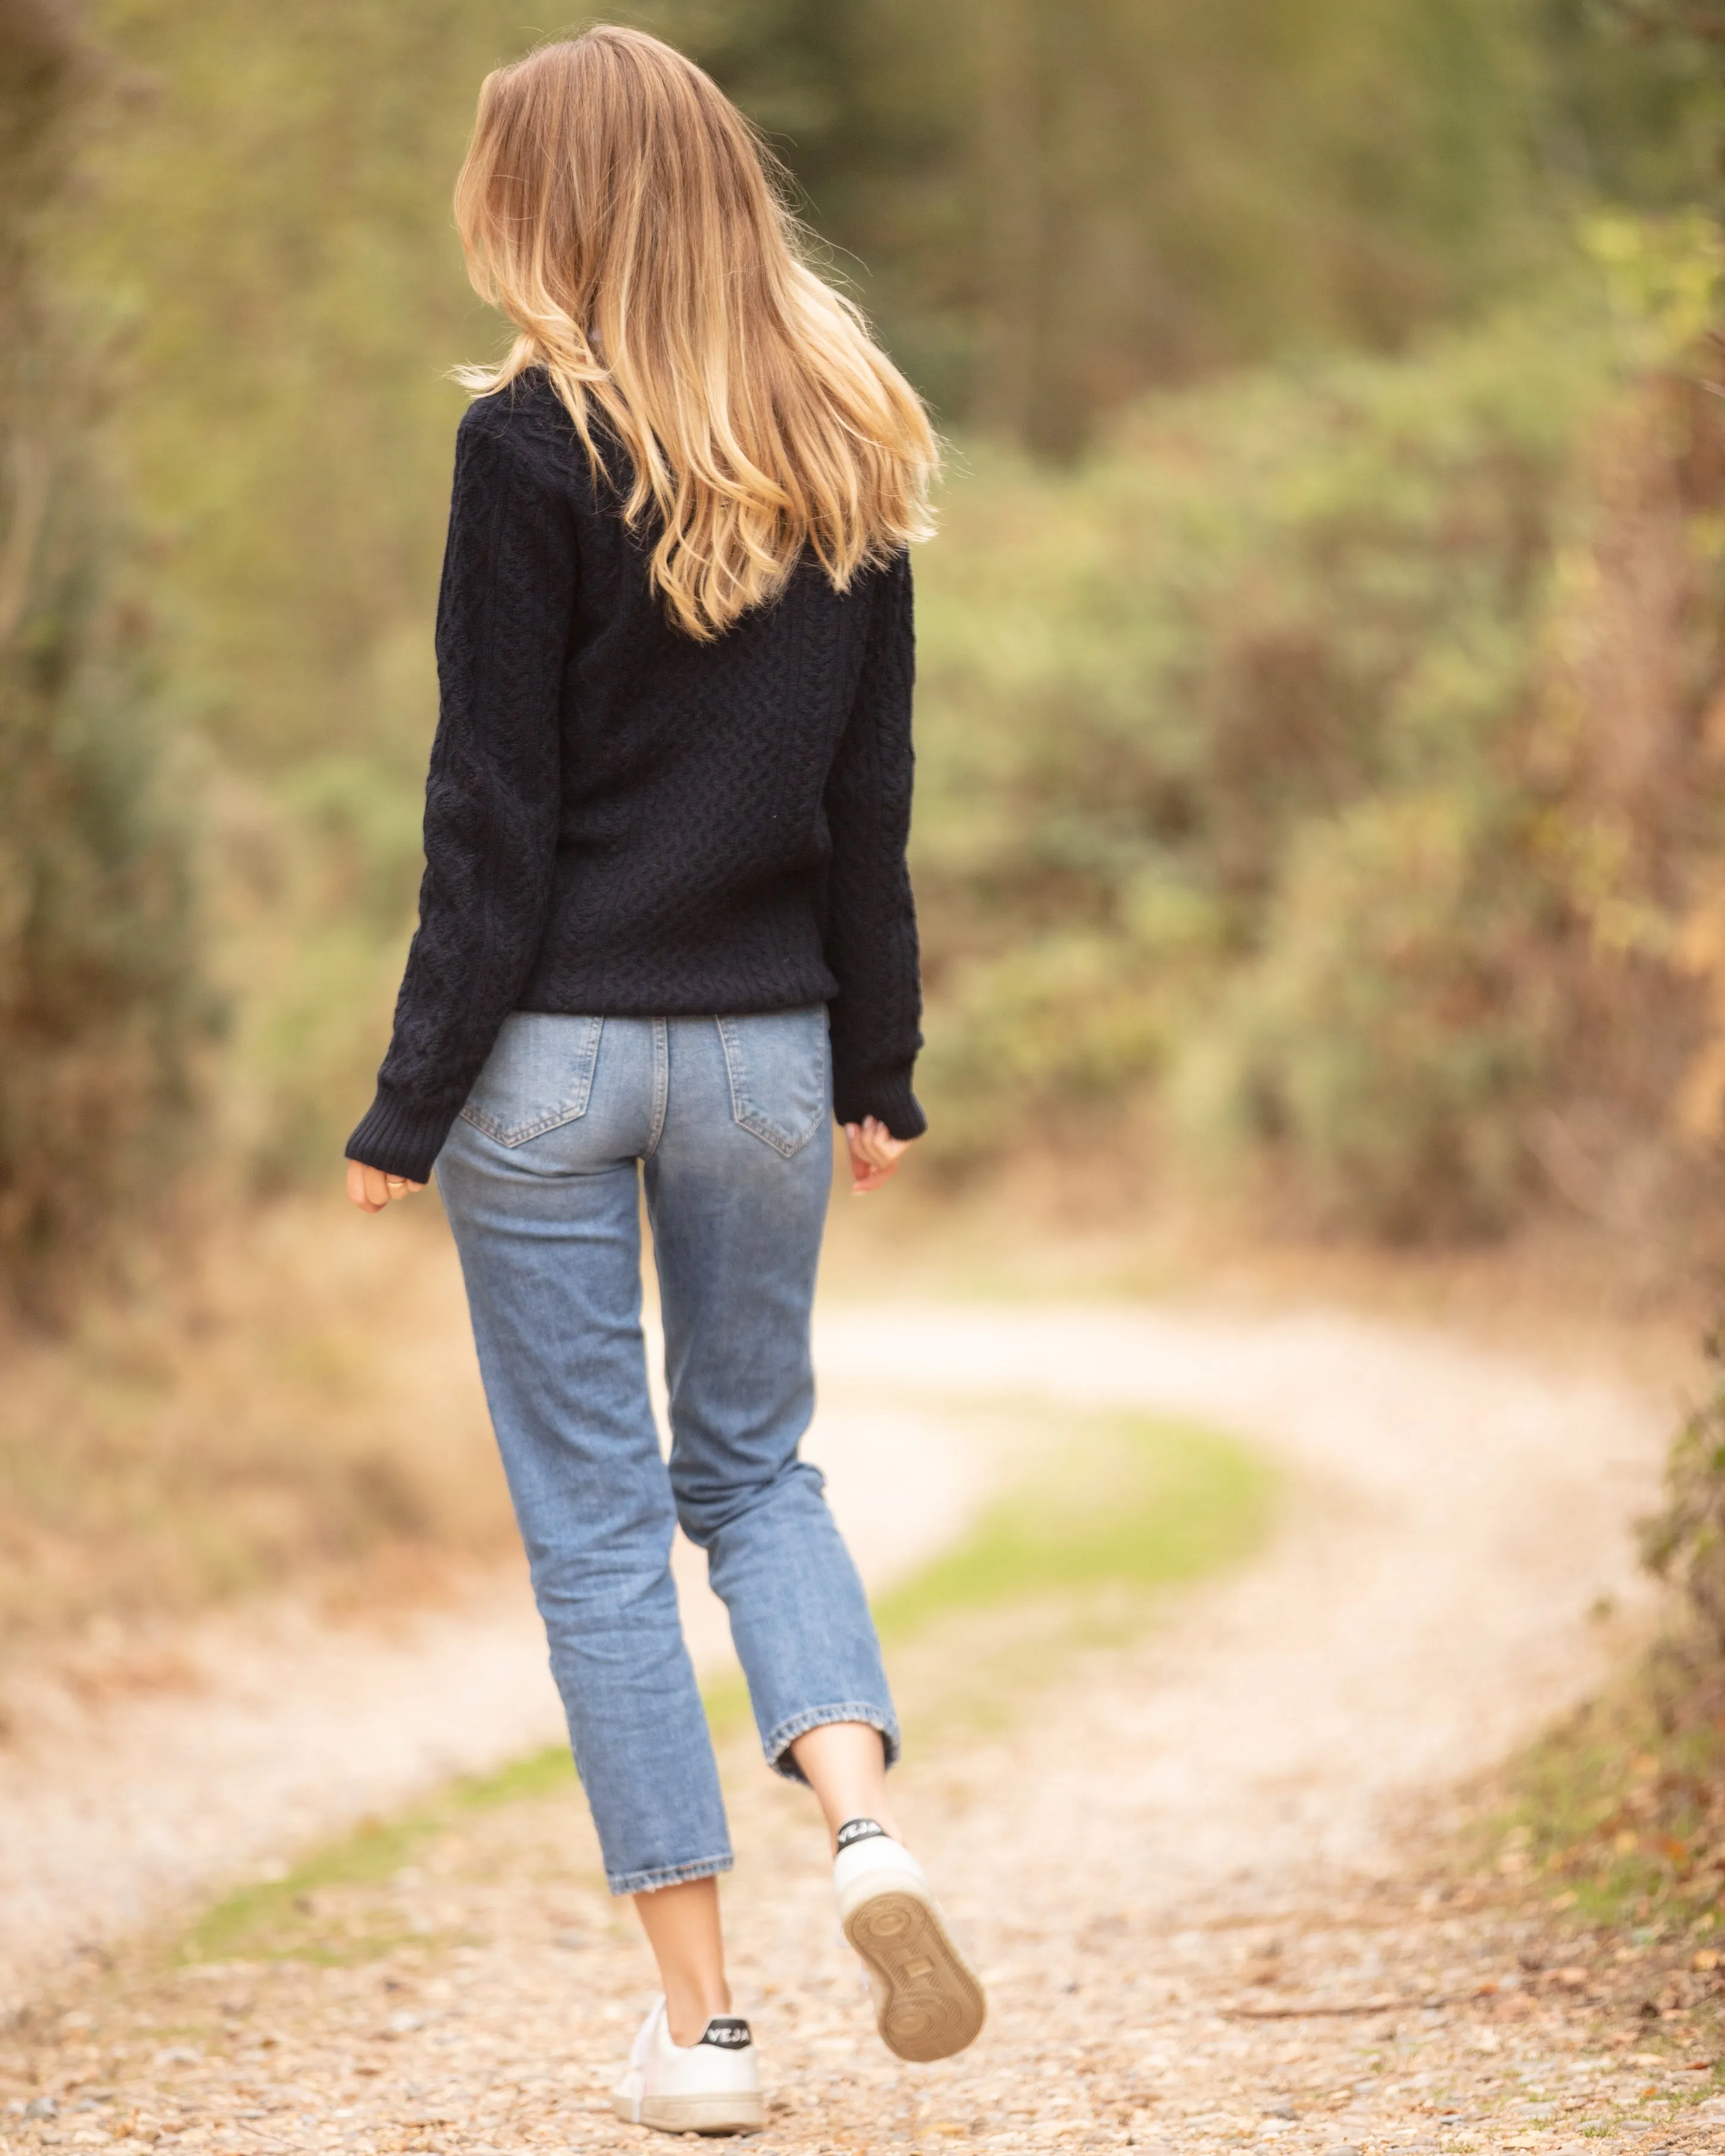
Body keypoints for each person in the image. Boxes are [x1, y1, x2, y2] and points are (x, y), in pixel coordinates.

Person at [341, 24, 985, 2138]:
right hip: (762, 1049)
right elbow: (866, 805)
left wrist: (408, 1099)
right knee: (758, 1468)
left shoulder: (526, 449)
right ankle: (862, 1817)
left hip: (545, 1051)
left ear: (554, 206)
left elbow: (490, 816)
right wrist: (876, 1064)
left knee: (603, 1532)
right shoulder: (857, 436)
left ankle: (706, 2035)